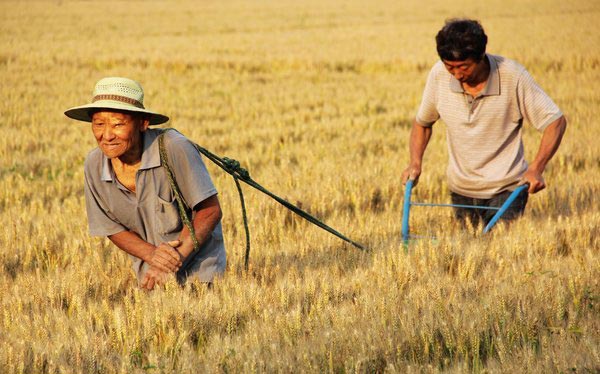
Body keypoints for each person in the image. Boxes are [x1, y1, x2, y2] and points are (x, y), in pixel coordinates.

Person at [65, 77, 226, 290]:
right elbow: (111, 228)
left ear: (143, 122)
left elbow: (209, 211)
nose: (107, 135)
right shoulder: (94, 164)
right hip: (151, 280)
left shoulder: (173, 148)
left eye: (118, 123)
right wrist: (154, 257)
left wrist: (171, 262)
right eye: (99, 124)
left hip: (202, 275)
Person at [401, 19, 567, 225]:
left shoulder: (512, 76)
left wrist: (536, 168)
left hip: (506, 191)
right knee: (467, 253)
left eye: (464, 67)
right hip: (460, 190)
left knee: (500, 253)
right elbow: (422, 124)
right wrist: (415, 162)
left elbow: (555, 122)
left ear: (481, 56)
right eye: (450, 67)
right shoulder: (438, 75)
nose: (457, 75)